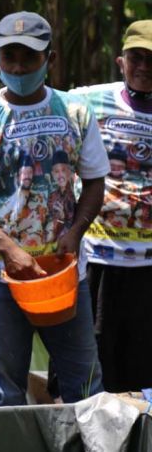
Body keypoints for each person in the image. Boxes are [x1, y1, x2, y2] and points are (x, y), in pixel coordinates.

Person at [0, 11, 108, 406]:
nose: (18, 67)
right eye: (9, 57)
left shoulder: (75, 112)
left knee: (85, 380)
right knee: (7, 388)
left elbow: (95, 181)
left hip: (64, 273)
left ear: (49, 59)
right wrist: (8, 248)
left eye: (28, 58)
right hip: (0, 275)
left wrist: (75, 232)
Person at [70, 20, 152, 391]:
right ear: (121, 61)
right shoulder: (87, 100)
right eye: (137, 58)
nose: (145, 68)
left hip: (148, 264)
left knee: (142, 362)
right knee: (92, 357)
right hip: (99, 257)